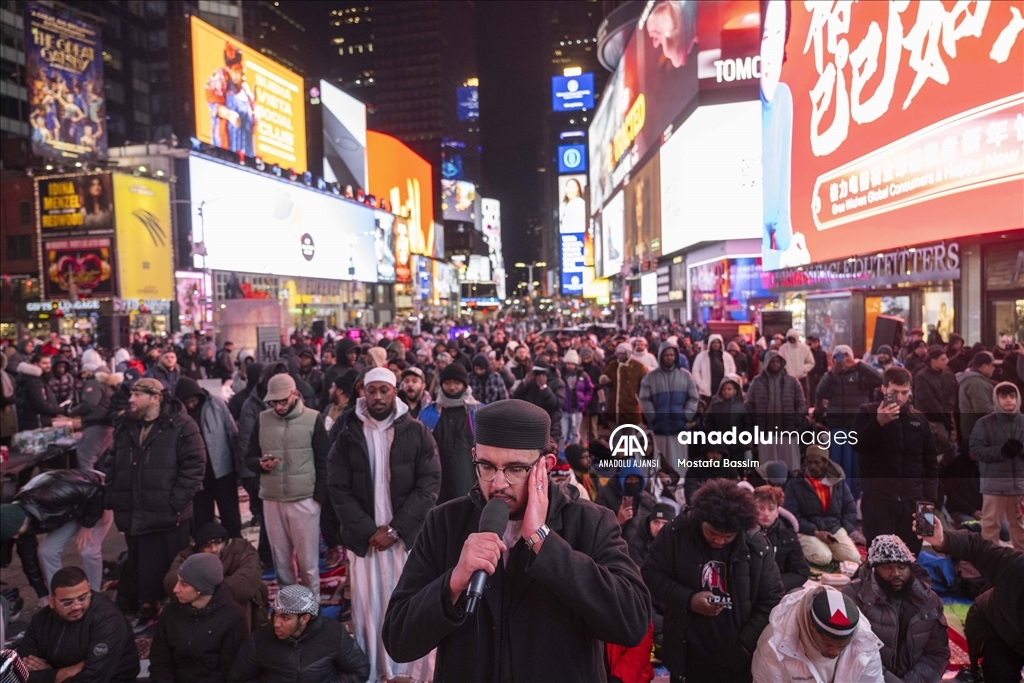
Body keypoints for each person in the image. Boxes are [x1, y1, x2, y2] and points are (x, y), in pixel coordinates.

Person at [382, 398, 650, 682]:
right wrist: (454, 582)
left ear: (545, 465)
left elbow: (630, 622)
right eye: (486, 466)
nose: (498, 483)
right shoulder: (444, 523)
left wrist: (544, 542)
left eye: (515, 469)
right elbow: (399, 640)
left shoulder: (589, 522)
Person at [328, 367, 440, 682]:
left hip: (404, 538)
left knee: (407, 601)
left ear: (395, 392)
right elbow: (338, 488)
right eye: (372, 390)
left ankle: (410, 670)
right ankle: (375, 671)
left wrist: (395, 529)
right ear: (363, 391)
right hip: (365, 542)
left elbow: (429, 483)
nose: (377, 397)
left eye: (384, 391)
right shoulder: (347, 431)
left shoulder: (416, 431)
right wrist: (369, 531)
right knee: (367, 609)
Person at [642, 479, 784, 683]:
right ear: (701, 520)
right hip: (687, 651)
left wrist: (745, 645)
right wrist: (688, 599)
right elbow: (651, 574)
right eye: (712, 533)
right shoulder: (677, 533)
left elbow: (772, 599)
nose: (718, 541)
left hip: (737, 654)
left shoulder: (755, 544)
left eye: (727, 537)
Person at [106, 377, 206, 623]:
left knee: (173, 571)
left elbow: (195, 466)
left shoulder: (182, 425)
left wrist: (175, 501)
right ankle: (148, 605)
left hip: (169, 516)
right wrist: (114, 496)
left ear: (155, 398)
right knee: (141, 564)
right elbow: (111, 464)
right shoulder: (125, 427)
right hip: (135, 513)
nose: (130, 400)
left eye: (137, 395)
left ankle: (177, 613)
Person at [244, 373, 330, 600]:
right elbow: (249, 456)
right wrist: (260, 465)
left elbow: (324, 460)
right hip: (272, 498)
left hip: (304, 498)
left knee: (308, 561)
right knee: (281, 559)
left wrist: (318, 498)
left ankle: (312, 607)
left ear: (295, 394)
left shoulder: (313, 418)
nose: (279, 406)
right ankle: (289, 604)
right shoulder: (263, 419)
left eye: (283, 401)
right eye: (274, 402)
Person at [915, 515, 1023, 682]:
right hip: (997, 627)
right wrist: (943, 539)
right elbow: (977, 547)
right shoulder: (1016, 566)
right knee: (1002, 673)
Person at [853, 367, 939, 553]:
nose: (900, 398)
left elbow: (931, 464)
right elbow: (857, 445)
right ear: (884, 389)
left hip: (916, 501)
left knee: (912, 556)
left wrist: (929, 502)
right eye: (894, 392)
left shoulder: (919, 419)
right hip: (878, 499)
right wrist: (878, 423)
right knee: (879, 556)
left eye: (904, 392)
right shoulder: (866, 411)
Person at [842, 535, 949, 683]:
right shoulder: (854, 596)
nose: (896, 573)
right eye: (887, 567)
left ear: (911, 568)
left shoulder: (929, 601)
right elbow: (851, 652)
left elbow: (938, 653)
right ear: (874, 569)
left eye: (901, 567)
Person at [2, 468, 113, 597]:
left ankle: (94, 596)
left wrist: (87, 526)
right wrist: (42, 594)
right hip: (68, 510)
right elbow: (29, 561)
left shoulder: (49, 493)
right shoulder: (18, 522)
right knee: (47, 552)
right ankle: (58, 596)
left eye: (14, 535)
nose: (15, 537)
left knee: (87, 550)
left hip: (97, 498)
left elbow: (97, 492)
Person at [17, 567, 139, 682]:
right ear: (52, 601)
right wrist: (61, 674)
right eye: (67, 602)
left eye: (82, 598)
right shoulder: (41, 620)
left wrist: (47, 676)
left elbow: (94, 678)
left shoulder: (109, 619)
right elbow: (18, 670)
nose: (76, 606)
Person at [228, 585, 370, 683]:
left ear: (305, 619)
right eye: (275, 615)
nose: (276, 623)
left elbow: (359, 671)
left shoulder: (333, 634)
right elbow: (238, 679)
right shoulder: (259, 639)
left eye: (285, 618)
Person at [751, 584, 885, 682]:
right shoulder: (775, 647)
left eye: (841, 646)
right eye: (828, 644)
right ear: (811, 626)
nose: (834, 652)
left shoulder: (864, 641)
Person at [150, 553, 248, 683]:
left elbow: (229, 670)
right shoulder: (170, 612)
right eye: (177, 581)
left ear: (202, 588)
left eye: (183, 584)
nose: (175, 589)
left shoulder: (233, 617)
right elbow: (160, 659)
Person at [164, 522, 268, 631]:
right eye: (207, 545)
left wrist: (204, 593)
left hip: (232, 604)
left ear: (225, 542)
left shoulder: (242, 549)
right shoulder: (186, 557)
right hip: (198, 609)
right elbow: (171, 580)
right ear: (199, 548)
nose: (213, 549)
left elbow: (247, 580)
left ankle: (242, 638)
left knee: (245, 598)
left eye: (217, 542)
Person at [174, 377, 242, 538]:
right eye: (186, 402)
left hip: (222, 470)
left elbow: (232, 433)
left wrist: (237, 465)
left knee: (230, 514)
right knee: (202, 518)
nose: (191, 405)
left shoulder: (217, 404)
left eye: (192, 400)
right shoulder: (178, 415)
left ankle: (235, 546)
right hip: (196, 476)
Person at [816, 345, 883, 499]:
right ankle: (837, 498)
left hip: (857, 426)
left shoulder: (860, 374)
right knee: (837, 465)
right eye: (838, 356)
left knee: (856, 465)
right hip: (837, 426)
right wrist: (832, 374)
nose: (842, 359)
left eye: (846, 355)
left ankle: (857, 498)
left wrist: (858, 365)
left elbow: (880, 380)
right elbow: (819, 393)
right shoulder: (830, 376)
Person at [783, 445, 860, 566]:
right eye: (809, 462)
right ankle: (809, 548)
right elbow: (792, 516)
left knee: (853, 558)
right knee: (823, 558)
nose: (812, 466)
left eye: (817, 463)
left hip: (834, 528)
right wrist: (815, 532)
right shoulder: (795, 483)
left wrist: (843, 530)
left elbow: (850, 509)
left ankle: (829, 548)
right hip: (808, 530)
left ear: (826, 463)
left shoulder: (837, 481)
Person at [969, 381, 1024, 550]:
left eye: (1012, 396)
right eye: (1003, 397)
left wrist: (1020, 450)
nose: (1008, 400)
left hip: (1020, 486)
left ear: (1018, 398)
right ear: (996, 399)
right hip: (994, 485)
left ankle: (1021, 564)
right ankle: (989, 567)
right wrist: (1001, 452)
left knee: (1021, 527)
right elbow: (976, 450)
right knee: (991, 526)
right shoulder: (984, 423)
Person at [419, 364, 479, 505]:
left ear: (464, 384)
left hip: (468, 477)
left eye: (457, 383)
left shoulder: (476, 411)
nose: (452, 387)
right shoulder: (429, 412)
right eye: (447, 383)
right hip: (436, 477)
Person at [640, 342, 700, 477]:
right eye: (666, 355)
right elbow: (644, 399)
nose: (669, 358)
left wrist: (686, 415)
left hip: (679, 426)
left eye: (672, 355)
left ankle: (680, 486)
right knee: (660, 460)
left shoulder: (685, 376)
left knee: (679, 461)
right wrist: (652, 416)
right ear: (661, 356)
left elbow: (693, 398)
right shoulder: (650, 377)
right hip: (659, 426)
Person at [746, 350, 806, 471]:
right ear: (767, 362)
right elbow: (749, 404)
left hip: (787, 430)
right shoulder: (757, 381)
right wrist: (756, 421)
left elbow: (801, 403)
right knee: (768, 468)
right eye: (772, 361)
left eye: (778, 361)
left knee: (790, 467)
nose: (775, 364)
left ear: (782, 362)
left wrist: (796, 420)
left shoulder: (792, 381)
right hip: (766, 431)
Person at [66, 358, 120, 470]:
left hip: (96, 426)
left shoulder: (94, 383)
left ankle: (89, 485)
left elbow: (90, 404)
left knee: (86, 460)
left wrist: (72, 411)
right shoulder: (110, 384)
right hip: (109, 426)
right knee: (103, 463)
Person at [754, 485, 809, 593]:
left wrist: (775, 585)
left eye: (771, 509)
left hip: (777, 589)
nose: (766, 513)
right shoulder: (742, 533)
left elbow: (801, 571)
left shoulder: (788, 535)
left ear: (777, 512)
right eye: (761, 508)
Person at [912, 346, 958, 463]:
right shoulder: (921, 376)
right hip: (930, 418)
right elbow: (927, 399)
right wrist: (941, 414)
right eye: (942, 359)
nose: (946, 362)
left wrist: (948, 409)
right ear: (933, 361)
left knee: (945, 447)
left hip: (944, 418)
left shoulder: (947, 374)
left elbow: (952, 392)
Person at [596, 465, 657, 548]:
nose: (633, 483)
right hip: (616, 546)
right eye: (630, 479)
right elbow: (599, 531)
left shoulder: (645, 498)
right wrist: (618, 521)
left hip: (642, 547)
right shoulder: (605, 495)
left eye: (636, 480)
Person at [512, 358, 565, 445]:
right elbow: (515, 400)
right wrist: (524, 385)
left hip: (550, 427)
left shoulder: (557, 382)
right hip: (530, 425)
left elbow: (557, 404)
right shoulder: (530, 381)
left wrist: (544, 387)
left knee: (548, 455)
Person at [601, 343, 648, 428]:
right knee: (616, 435)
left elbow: (645, 384)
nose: (620, 356)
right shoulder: (612, 365)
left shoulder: (638, 367)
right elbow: (604, 374)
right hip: (614, 405)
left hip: (631, 406)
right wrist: (604, 378)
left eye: (622, 354)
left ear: (628, 353)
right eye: (618, 354)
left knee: (630, 434)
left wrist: (637, 397)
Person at [958, 351, 995, 456]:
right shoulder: (976, 383)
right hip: (976, 430)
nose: (994, 368)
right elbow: (983, 409)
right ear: (984, 366)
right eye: (992, 365)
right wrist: (1001, 409)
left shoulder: (975, 380)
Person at [15, 355, 62, 432]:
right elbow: (40, 404)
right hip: (36, 423)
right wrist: (61, 409)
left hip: (34, 421)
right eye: (44, 363)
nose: (48, 366)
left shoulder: (38, 379)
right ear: (35, 364)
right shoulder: (34, 382)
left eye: (49, 363)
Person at [558, 350, 593, 447]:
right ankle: (561, 452)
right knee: (562, 433)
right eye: (568, 363)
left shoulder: (582, 375)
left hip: (577, 409)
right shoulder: (560, 374)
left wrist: (584, 400)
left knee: (575, 432)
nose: (570, 366)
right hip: (564, 409)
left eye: (572, 364)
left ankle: (574, 451)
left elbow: (589, 388)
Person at [628, 502, 675, 567]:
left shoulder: (678, 545)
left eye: (665, 523)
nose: (659, 528)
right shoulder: (635, 545)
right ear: (649, 523)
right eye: (656, 522)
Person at [692, 334, 737, 400]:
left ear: (721, 344)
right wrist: (700, 384)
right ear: (710, 343)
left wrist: (728, 381)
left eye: (717, 342)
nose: (716, 344)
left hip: (723, 389)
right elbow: (695, 371)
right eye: (713, 342)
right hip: (707, 390)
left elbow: (732, 369)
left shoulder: (727, 356)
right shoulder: (701, 356)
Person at [778, 329, 815, 397]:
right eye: (790, 339)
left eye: (793, 338)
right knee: (788, 399)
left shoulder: (804, 348)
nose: (791, 340)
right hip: (787, 379)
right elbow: (779, 363)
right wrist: (785, 371)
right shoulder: (783, 349)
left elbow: (811, 362)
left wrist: (802, 369)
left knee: (803, 398)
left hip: (802, 378)